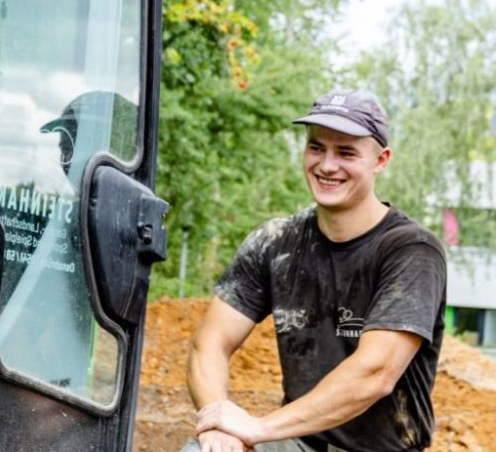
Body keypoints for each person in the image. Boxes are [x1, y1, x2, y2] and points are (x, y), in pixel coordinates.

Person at [188, 90, 448, 452]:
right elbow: (210, 344)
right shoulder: (275, 242)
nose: (327, 165)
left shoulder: (410, 251)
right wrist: (217, 421)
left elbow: (375, 374)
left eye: (346, 152)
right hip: (298, 444)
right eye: (316, 148)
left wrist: (257, 428)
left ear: (380, 160)